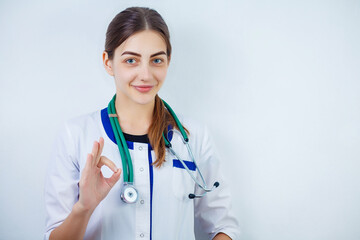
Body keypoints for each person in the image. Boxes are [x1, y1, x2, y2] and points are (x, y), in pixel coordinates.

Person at [44, 6, 240, 240]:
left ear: (168, 61)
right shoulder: (75, 135)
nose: (146, 74)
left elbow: (224, 227)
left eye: (156, 60)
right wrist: (84, 207)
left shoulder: (194, 136)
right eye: (131, 60)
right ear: (108, 62)